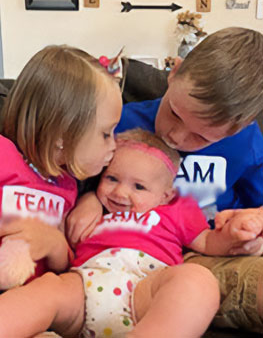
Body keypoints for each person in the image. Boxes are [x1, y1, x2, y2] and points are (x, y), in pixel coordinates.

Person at [67, 27, 263, 333]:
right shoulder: (120, 120)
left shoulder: (248, 143)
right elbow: (84, 176)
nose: (176, 136)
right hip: (121, 250)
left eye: (201, 136)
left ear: (238, 128)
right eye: (175, 113)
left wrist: (254, 223)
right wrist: (90, 197)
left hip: (207, 253)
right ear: (174, 72)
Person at [2, 128, 263, 338]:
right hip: (83, 287)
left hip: (144, 291)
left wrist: (233, 235)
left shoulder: (176, 209)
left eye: (139, 186)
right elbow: (66, 251)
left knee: (198, 279)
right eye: (112, 179)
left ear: (165, 195)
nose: (120, 193)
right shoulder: (91, 210)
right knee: (46, 290)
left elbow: (207, 242)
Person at [0, 44, 122, 289]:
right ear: (63, 136)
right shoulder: (3, 153)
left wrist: (55, 242)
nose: (114, 146)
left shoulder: (67, 185)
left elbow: (62, 265)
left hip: (31, 300)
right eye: (105, 134)